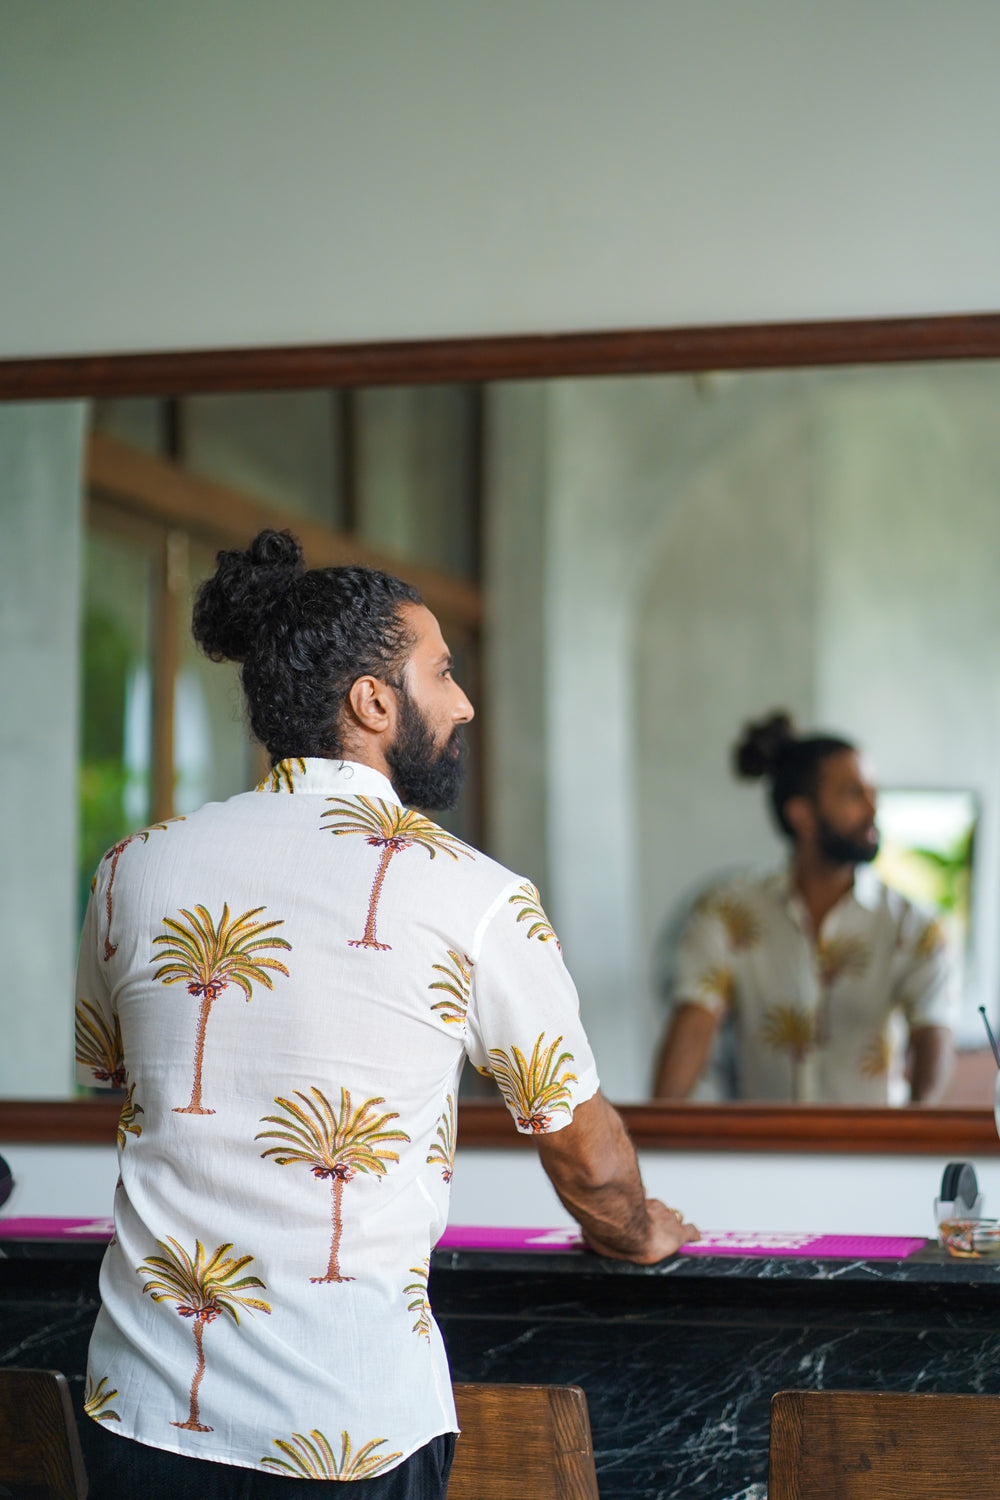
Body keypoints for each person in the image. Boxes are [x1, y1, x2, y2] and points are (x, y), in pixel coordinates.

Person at [76, 528, 698, 1499]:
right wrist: (637, 1232)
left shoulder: (129, 871)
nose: (465, 702)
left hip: (142, 1416)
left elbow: (117, 1077)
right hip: (346, 1433)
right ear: (372, 702)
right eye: (442, 672)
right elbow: (585, 1154)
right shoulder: (474, 897)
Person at [652, 711, 957, 1106]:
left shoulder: (915, 927)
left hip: (877, 1157)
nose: (872, 808)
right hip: (765, 1156)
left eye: (873, 791)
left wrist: (919, 1136)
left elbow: (934, 1034)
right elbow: (694, 1022)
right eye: (853, 794)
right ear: (801, 814)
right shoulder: (727, 914)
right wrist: (655, 1143)